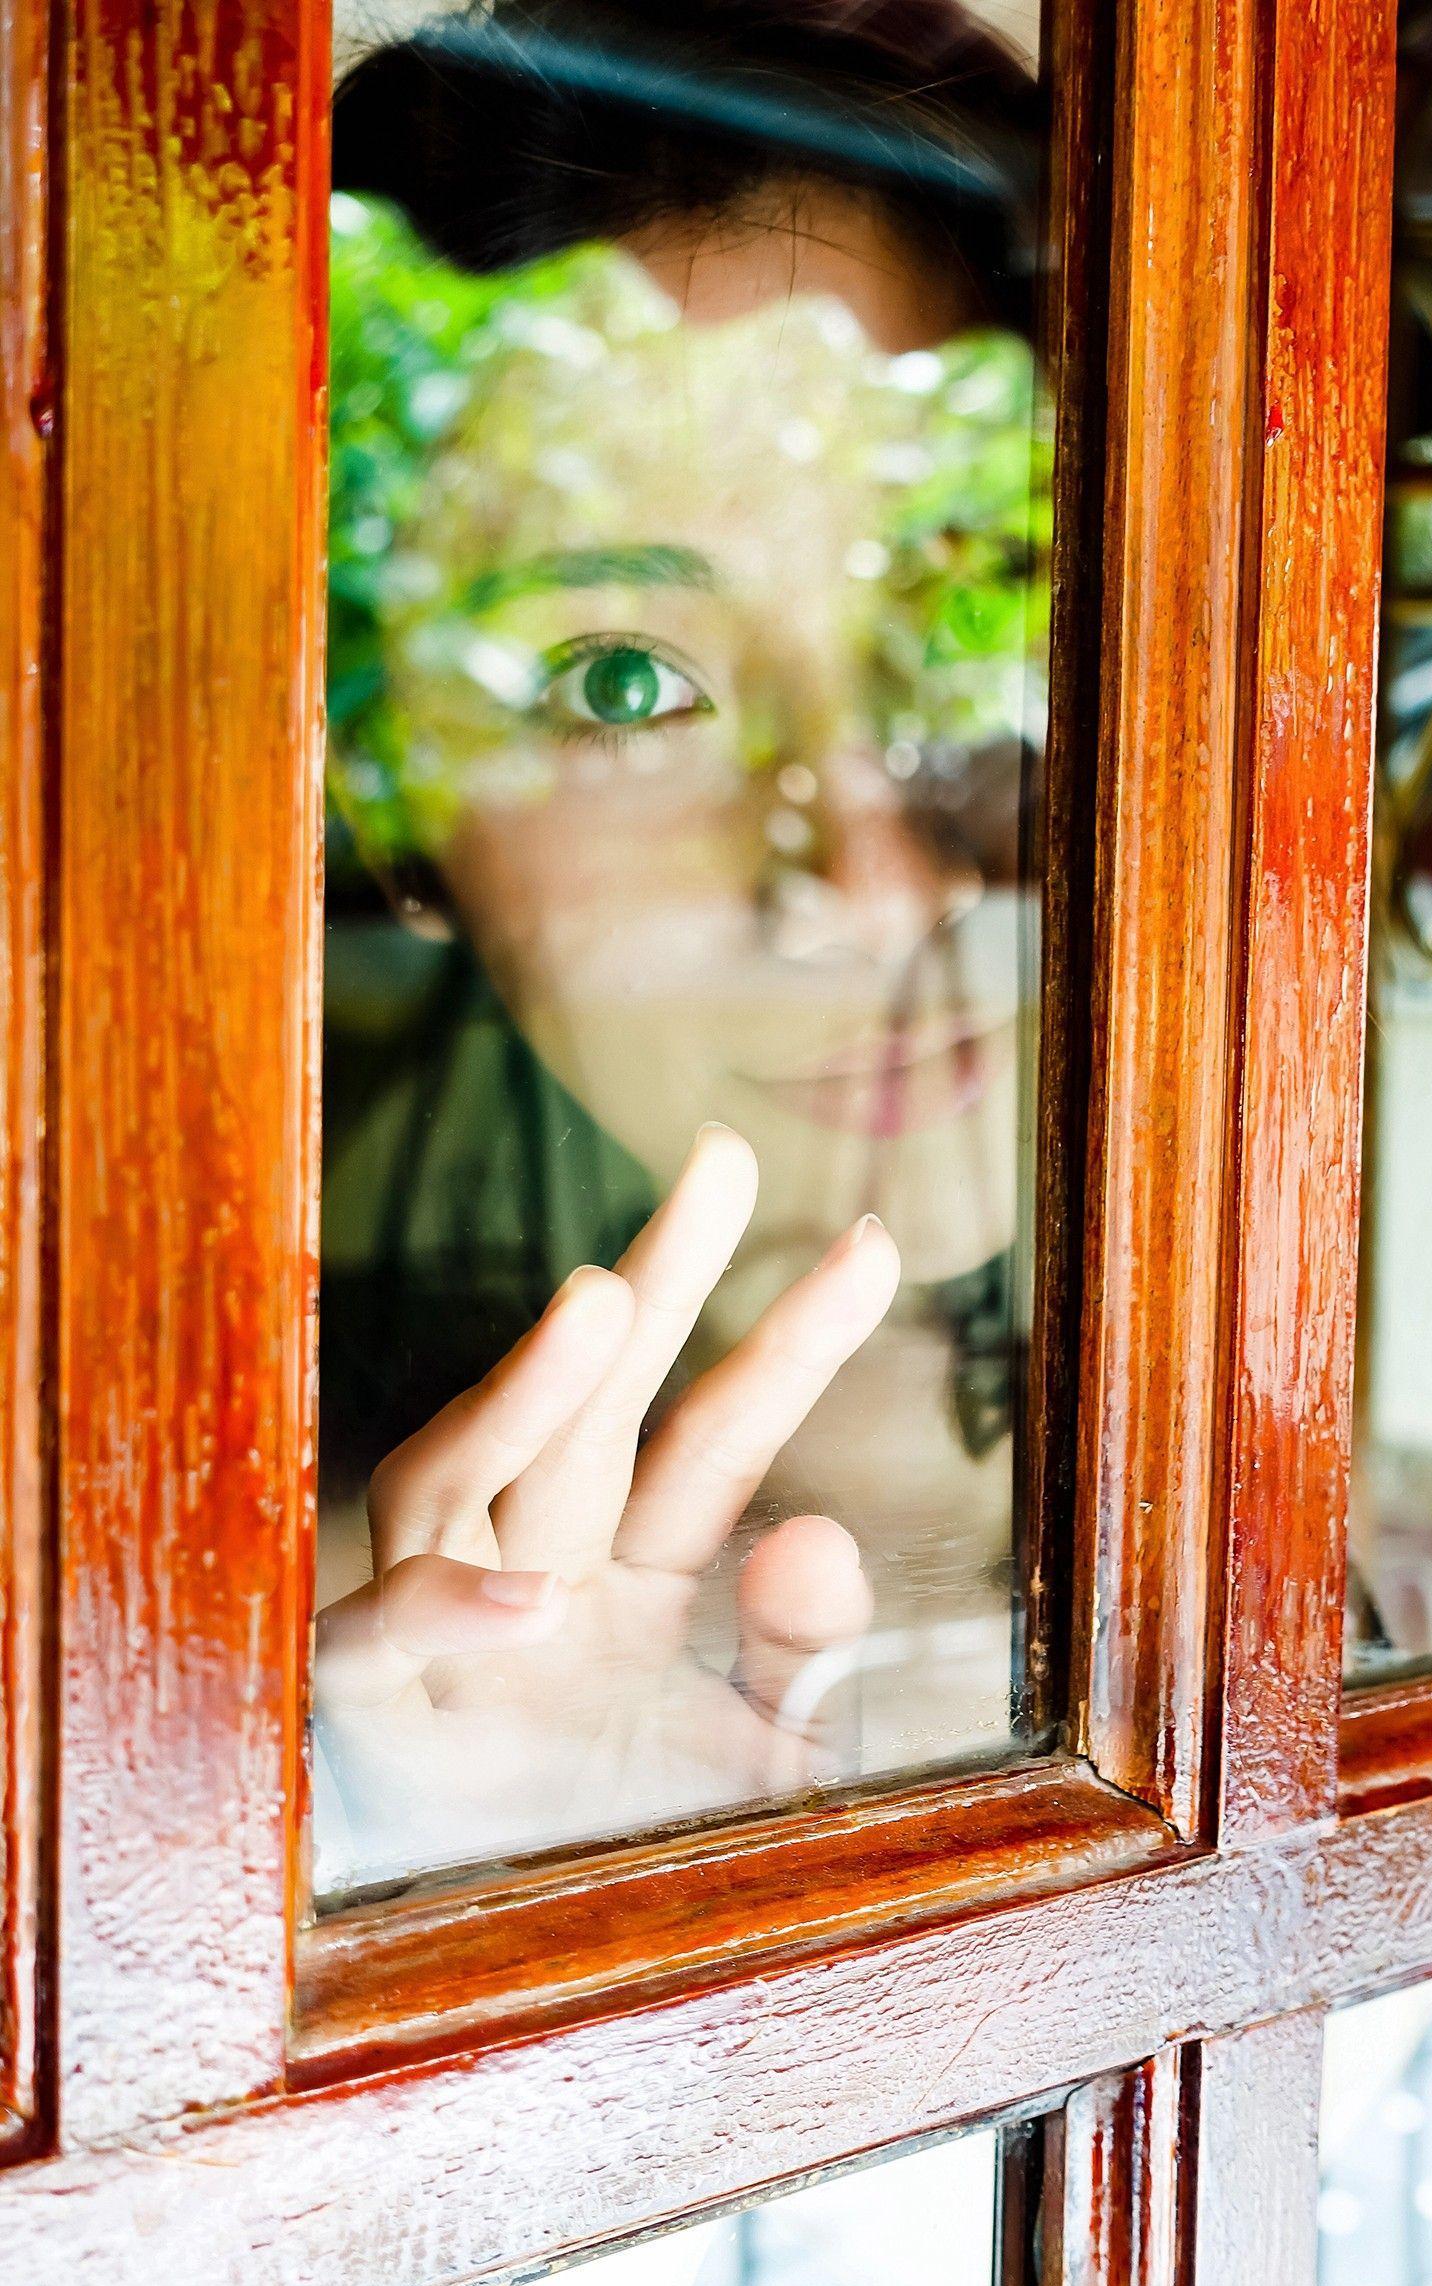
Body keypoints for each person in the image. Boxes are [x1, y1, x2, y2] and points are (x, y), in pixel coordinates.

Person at [312, 0, 1051, 1885]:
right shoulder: (258, 1668)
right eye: (627, 680)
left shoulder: (1316, 1489)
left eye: (960, 603)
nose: (877, 874)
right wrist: (459, 1895)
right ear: (391, 818)